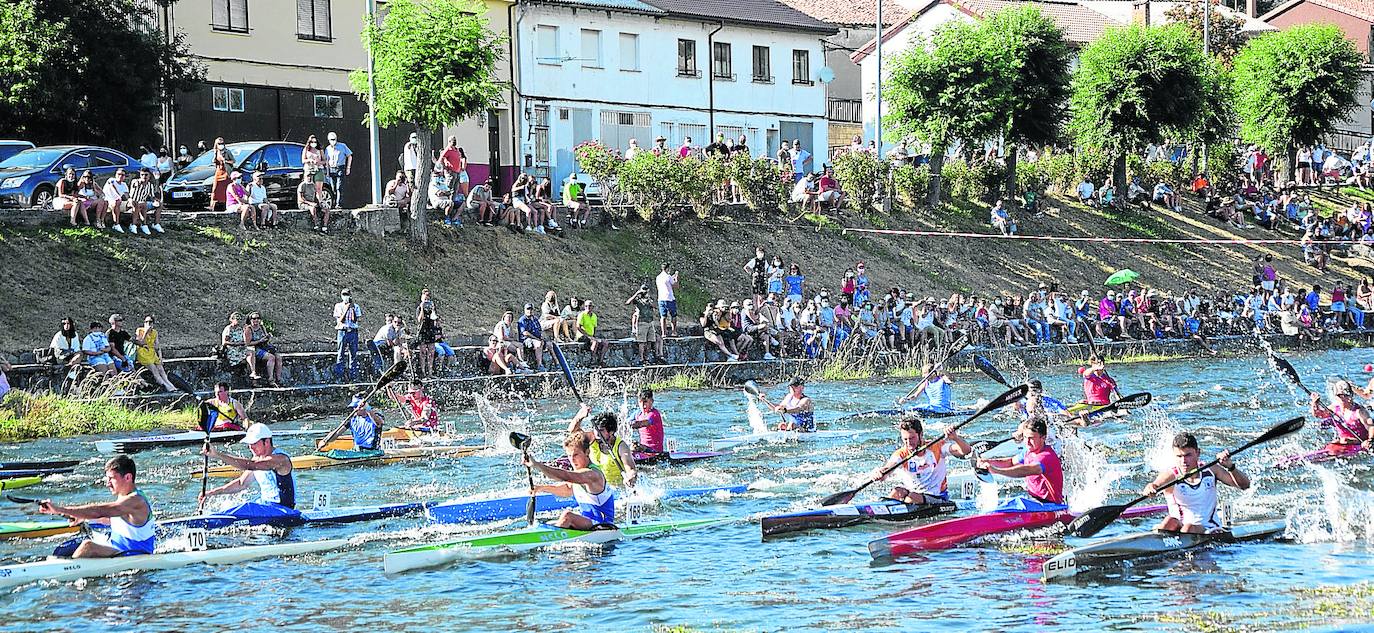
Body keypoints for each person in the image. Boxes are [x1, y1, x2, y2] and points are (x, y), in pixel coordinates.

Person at [38, 456, 155, 558]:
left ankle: (65, 572)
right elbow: (111, 519)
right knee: (67, 547)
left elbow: (99, 511)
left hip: (135, 554)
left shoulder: (135, 501)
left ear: (128, 477)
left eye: (112, 478)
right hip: (119, 549)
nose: (107, 483)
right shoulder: (124, 496)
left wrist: (59, 509)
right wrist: (83, 518)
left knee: (87, 546)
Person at [1142, 432, 1249, 534]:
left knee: (1188, 528)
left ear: (1198, 453)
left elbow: (1245, 485)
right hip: (1178, 527)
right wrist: (1150, 489)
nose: (1183, 461)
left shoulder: (1212, 470)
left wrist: (1231, 467)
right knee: (1169, 521)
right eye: (1179, 456)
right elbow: (1153, 485)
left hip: (1208, 528)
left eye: (1188, 455)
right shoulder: (1171, 474)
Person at [200, 423, 300, 522]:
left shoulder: (280, 460)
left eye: (254, 443)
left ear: (267, 441)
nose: (251, 447)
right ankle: (212, 518)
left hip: (283, 511)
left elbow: (251, 465)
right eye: (249, 444)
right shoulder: (257, 459)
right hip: (266, 507)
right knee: (239, 506)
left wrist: (218, 455)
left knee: (248, 507)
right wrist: (211, 493)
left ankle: (210, 521)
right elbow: (241, 484)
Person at [869, 417, 973, 505]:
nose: (908, 443)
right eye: (905, 439)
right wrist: (880, 473)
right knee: (896, 492)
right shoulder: (901, 454)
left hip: (938, 498)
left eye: (912, 438)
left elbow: (966, 451)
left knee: (912, 497)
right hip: (914, 495)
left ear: (921, 434)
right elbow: (889, 468)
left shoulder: (937, 447)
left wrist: (955, 438)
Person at [525, 429, 615, 529]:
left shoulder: (592, 474)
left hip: (603, 525)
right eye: (569, 455)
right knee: (547, 523)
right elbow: (567, 490)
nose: (572, 460)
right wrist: (541, 488)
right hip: (589, 523)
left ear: (587, 452)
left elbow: (566, 476)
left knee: (567, 516)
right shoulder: (579, 474)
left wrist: (537, 465)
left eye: (576, 455)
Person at [976, 417, 1065, 508]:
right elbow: (1010, 462)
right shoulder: (1028, 451)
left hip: (1051, 506)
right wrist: (988, 462)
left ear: (1043, 438)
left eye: (1031, 438)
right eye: (1025, 437)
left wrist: (997, 471)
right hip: (1035, 501)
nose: (1027, 442)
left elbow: (1027, 470)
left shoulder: (1046, 456)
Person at [567, 403, 638, 489]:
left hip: (617, 489)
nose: (597, 432)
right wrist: (580, 416)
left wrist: (631, 477)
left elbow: (631, 469)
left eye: (601, 430)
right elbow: (572, 432)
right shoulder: (593, 438)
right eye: (595, 428)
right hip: (597, 485)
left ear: (611, 432)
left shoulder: (621, 447)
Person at [1309, 381, 1372, 447]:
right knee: (1337, 442)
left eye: (1346, 395)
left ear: (1351, 395)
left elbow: (1371, 427)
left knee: (1344, 440)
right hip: (1342, 442)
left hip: (1360, 442)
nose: (1343, 398)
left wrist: (1370, 441)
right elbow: (1318, 415)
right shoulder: (1334, 408)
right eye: (1340, 395)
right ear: (1336, 397)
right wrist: (1314, 403)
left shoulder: (1360, 411)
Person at [133, 315, 176, 392]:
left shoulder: (155, 332)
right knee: (154, 369)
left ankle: (169, 383)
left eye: (150, 322)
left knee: (161, 369)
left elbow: (157, 346)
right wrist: (146, 333)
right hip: (143, 352)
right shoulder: (140, 330)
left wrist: (160, 357)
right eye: (146, 322)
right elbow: (140, 342)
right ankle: (165, 385)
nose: (148, 323)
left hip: (152, 352)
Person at [332, 289, 364, 381]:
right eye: (344, 295)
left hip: (353, 331)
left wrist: (352, 308)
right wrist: (346, 309)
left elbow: (354, 320)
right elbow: (341, 320)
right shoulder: (338, 306)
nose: (345, 296)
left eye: (347, 295)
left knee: (353, 353)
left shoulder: (356, 306)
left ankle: (353, 375)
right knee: (341, 352)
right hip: (342, 330)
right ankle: (339, 375)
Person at [243, 312, 282, 386]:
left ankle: (278, 379)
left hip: (264, 346)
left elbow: (265, 336)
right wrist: (259, 341)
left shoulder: (261, 327)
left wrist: (267, 337)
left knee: (278, 357)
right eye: (254, 318)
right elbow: (247, 343)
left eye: (258, 318)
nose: (256, 320)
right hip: (255, 348)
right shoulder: (248, 329)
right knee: (271, 357)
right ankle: (270, 379)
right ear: (250, 320)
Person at [630, 387, 666, 454]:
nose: (643, 405)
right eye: (641, 402)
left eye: (645, 402)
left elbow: (644, 423)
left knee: (634, 447)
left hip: (655, 451)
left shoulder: (654, 414)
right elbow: (625, 422)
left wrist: (631, 425)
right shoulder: (637, 413)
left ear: (652, 401)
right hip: (643, 449)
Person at [127, 167, 163, 234]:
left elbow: (152, 196)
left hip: (143, 203)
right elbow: (132, 192)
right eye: (142, 175)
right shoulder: (135, 182)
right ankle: (135, 224)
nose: (144, 177)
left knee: (159, 205)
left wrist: (156, 201)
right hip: (132, 202)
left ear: (149, 175)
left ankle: (156, 224)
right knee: (141, 204)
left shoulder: (150, 185)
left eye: (146, 175)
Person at [324, 131, 353, 207]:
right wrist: (327, 171)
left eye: (334, 139)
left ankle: (339, 203)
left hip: (340, 168)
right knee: (333, 188)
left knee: (339, 187)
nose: (333, 141)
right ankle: (334, 202)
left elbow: (349, 156)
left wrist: (348, 168)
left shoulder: (342, 146)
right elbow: (326, 161)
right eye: (331, 139)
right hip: (331, 169)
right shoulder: (327, 149)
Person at [516, 303, 547, 371]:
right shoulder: (522, 320)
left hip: (536, 338)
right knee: (538, 344)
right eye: (528, 309)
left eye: (531, 309)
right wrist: (537, 339)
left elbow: (540, 329)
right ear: (525, 310)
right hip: (527, 340)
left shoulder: (535, 319)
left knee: (550, 345)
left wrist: (541, 337)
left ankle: (555, 363)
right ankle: (540, 365)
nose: (529, 311)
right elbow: (525, 333)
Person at [576, 299, 606, 367]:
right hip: (582, 336)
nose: (588, 308)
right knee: (595, 342)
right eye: (586, 306)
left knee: (605, 343)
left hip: (591, 336)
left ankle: (600, 361)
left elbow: (594, 327)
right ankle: (592, 361)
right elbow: (578, 327)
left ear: (592, 307)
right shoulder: (582, 315)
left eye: (589, 306)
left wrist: (593, 336)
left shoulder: (594, 316)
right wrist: (588, 336)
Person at [102, 167, 130, 233]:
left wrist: (130, 200)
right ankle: (116, 224)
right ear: (115, 175)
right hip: (108, 202)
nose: (120, 176)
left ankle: (135, 224)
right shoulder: (111, 180)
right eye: (118, 174)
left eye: (122, 175)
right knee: (116, 201)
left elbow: (126, 196)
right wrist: (118, 196)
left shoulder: (124, 185)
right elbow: (112, 187)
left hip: (119, 202)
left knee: (135, 204)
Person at [656, 262, 679, 337]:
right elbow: (675, 285)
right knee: (673, 315)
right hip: (669, 298)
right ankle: (674, 332)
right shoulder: (668, 276)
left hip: (661, 298)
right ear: (667, 268)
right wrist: (676, 278)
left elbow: (667, 282)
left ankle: (663, 333)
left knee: (663, 316)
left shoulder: (658, 277)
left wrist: (672, 277)